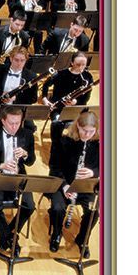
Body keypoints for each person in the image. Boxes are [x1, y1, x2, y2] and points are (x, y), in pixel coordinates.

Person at [0, 105, 36, 253]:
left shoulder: (27, 135)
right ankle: (11, 239)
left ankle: (9, 233)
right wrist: (2, 165)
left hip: (18, 177)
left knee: (29, 206)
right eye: (11, 123)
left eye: (18, 123)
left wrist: (25, 154)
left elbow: (31, 161)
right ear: (3, 121)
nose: (14, 127)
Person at [47, 109, 99, 256]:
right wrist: (65, 186)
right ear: (77, 126)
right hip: (63, 184)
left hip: (86, 186)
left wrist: (93, 173)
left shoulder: (100, 144)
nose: (87, 135)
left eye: (91, 131)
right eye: (84, 130)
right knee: (57, 208)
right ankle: (56, 234)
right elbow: (54, 167)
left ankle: (82, 239)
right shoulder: (65, 142)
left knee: (94, 211)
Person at [0, 46, 38, 118]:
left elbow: (33, 98)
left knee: (29, 125)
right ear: (11, 58)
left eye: (22, 60)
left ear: (26, 60)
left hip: (19, 110)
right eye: (16, 60)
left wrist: (15, 98)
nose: (19, 63)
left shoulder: (31, 76)